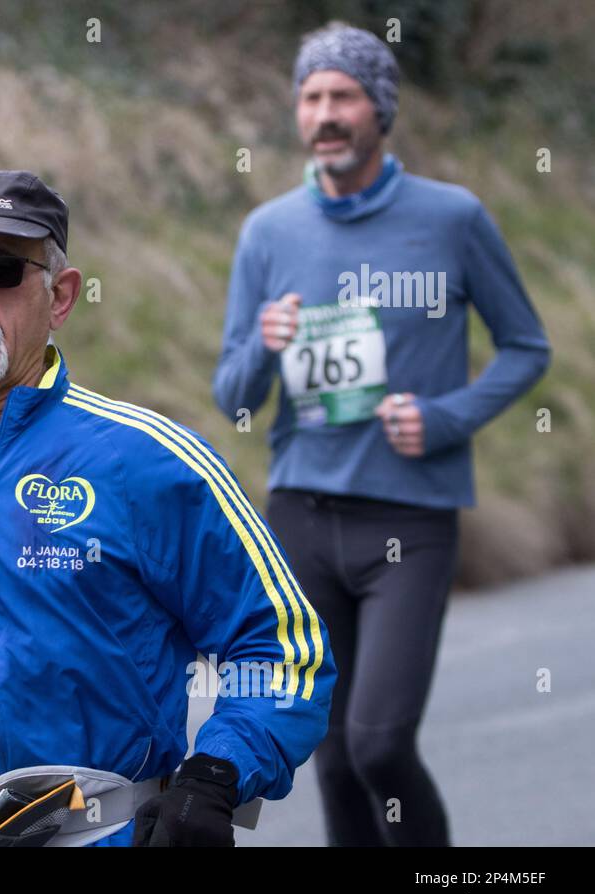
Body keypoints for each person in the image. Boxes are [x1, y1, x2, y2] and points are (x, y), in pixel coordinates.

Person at [0, 169, 335, 847]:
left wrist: (216, 776)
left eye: (1, 267)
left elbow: (281, 646)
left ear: (61, 296)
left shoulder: (149, 462)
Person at [213, 23, 551, 846]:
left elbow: (526, 347)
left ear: (380, 109)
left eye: (343, 96)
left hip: (411, 514)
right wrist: (266, 342)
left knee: (379, 741)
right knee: (330, 752)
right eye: (311, 96)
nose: (324, 113)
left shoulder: (452, 219)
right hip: (301, 513)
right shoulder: (268, 231)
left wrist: (446, 418)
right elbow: (233, 394)